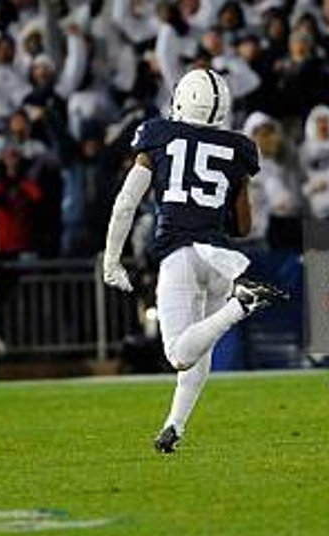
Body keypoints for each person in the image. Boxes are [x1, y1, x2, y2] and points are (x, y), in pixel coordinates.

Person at [100, 68, 289, 453]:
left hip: (180, 254)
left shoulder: (156, 135)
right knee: (200, 351)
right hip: (220, 257)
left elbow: (125, 206)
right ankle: (174, 427)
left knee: (179, 354)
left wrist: (112, 260)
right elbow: (243, 225)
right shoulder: (240, 147)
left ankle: (241, 305)